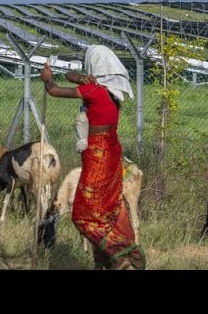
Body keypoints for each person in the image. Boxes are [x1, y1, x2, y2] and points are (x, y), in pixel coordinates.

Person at [40, 45, 146, 270]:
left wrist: (48, 79)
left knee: (82, 214)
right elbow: (71, 75)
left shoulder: (93, 91)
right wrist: (81, 78)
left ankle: (117, 256)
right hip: (112, 154)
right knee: (109, 208)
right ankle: (110, 260)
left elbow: (55, 90)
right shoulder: (109, 95)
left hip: (97, 157)